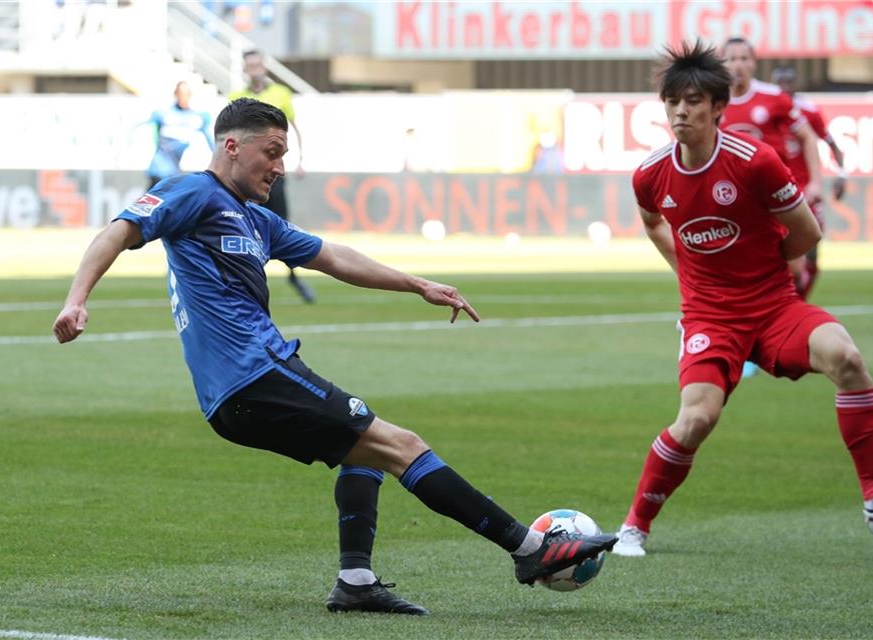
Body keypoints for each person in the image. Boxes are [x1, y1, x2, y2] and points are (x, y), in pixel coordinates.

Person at [52, 98, 617, 613]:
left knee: (365, 451)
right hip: (253, 376)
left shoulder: (257, 219)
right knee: (403, 446)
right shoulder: (191, 192)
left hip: (246, 386)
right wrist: (78, 301)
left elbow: (334, 257)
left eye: (284, 154)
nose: (279, 166)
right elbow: (117, 232)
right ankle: (530, 547)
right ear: (231, 146)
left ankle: (356, 581)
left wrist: (417, 283)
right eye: (271, 152)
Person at [612, 41, 873, 558]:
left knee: (847, 356)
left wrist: (770, 268)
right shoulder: (650, 173)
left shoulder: (755, 162)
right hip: (710, 316)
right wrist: (686, 270)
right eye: (672, 103)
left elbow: (808, 231)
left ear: (718, 108)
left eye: (692, 102)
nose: (681, 112)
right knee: (696, 418)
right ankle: (635, 526)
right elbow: (653, 221)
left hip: (774, 307)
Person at [720, 37, 824, 378]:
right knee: (741, 272)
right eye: (730, 58)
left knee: (794, 269)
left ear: (753, 62)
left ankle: (781, 334)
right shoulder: (713, 102)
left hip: (778, 199)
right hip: (737, 204)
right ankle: (746, 344)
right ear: (722, 63)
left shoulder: (773, 99)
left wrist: (816, 183)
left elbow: (808, 137)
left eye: (743, 58)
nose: (737, 64)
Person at [229, 49, 314, 303]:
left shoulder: (281, 94)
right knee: (241, 223)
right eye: (250, 65)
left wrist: (300, 160)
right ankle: (246, 276)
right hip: (245, 175)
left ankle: (293, 274)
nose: (254, 68)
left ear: (264, 67)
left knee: (282, 223)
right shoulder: (236, 97)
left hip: (274, 173)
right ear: (245, 68)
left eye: (258, 64)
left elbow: (294, 128)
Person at [772, 64, 849, 300]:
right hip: (775, 192)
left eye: (788, 81)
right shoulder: (768, 108)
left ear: (795, 83)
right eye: (780, 82)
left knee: (812, 248)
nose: (784, 86)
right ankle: (783, 298)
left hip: (806, 191)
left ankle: (800, 299)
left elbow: (832, 144)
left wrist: (841, 175)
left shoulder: (808, 111)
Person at [145, 81, 215, 192]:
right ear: (175, 94)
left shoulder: (196, 118)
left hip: (174, 172)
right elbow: (143, 127)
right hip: (158, 170)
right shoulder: (164, 114)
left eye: (186, 94)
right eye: (180, 94)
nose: (183, 97)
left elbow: (212, 142)